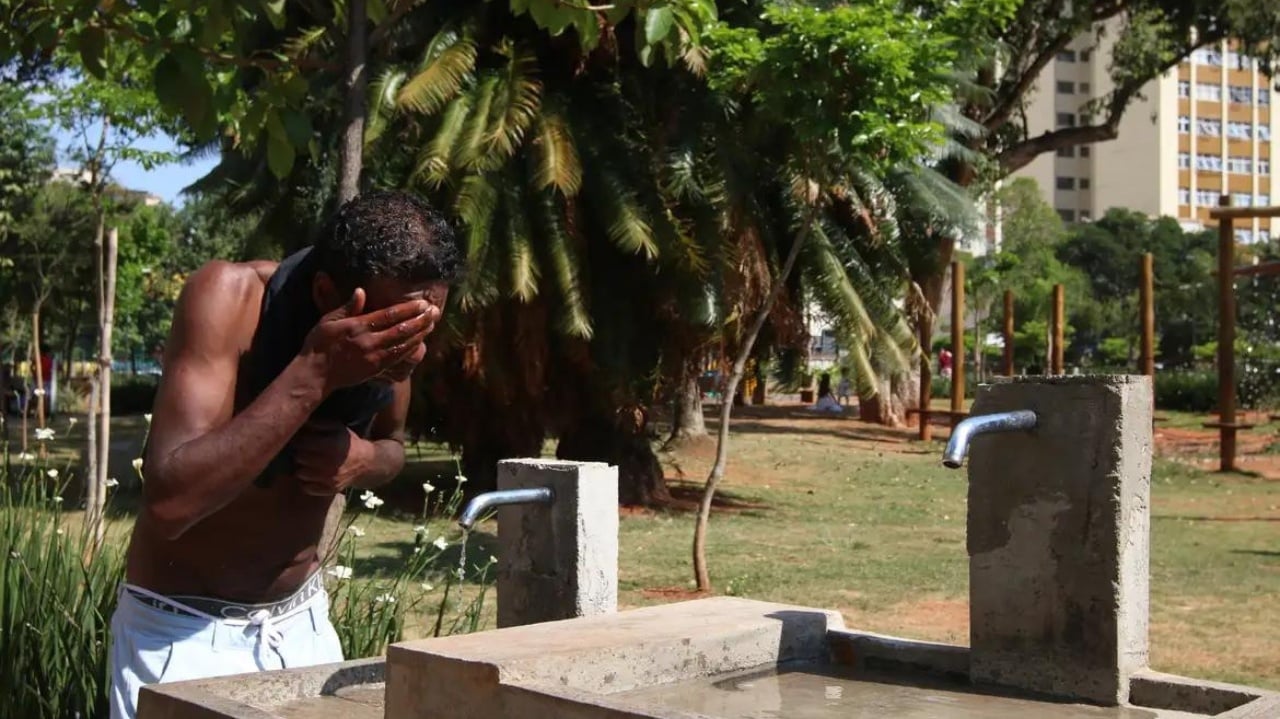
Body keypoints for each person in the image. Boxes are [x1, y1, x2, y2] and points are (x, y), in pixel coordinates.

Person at [108, 191, 462, 719]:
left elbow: (394, 448)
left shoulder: (394, 345)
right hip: (182, 633)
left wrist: (362, 458)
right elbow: (171, 504)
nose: (413, 350)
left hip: (302, 626)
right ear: (326, 292)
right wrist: (315, 373)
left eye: (424, 328)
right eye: (396, 328)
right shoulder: (227, 299)